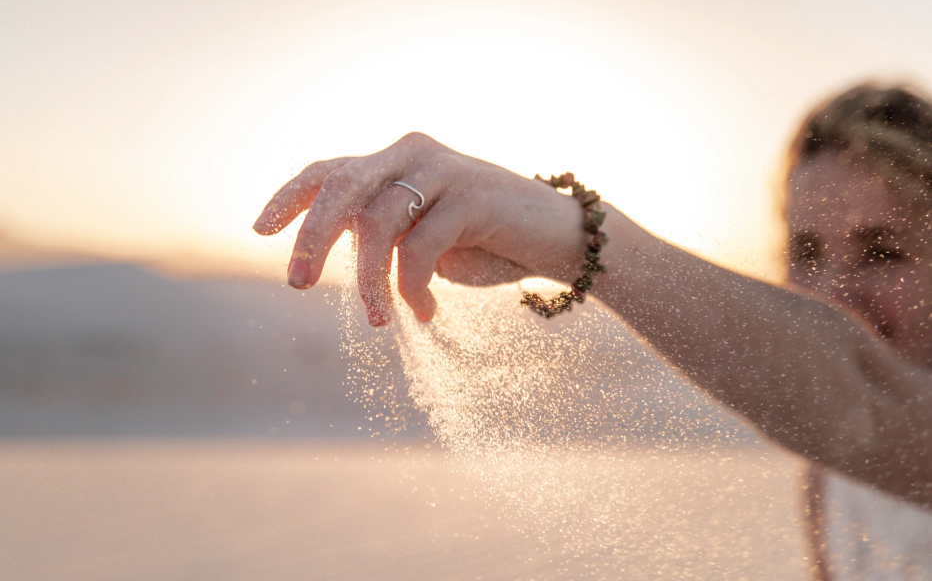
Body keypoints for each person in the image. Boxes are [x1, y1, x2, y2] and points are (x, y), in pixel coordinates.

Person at [253, 82, 932, 575]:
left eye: (886, 251)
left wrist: (575, 237)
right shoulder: (831, 479)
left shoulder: (871, 430)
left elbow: (865, 401)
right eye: (808, 254)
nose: (834, 295)